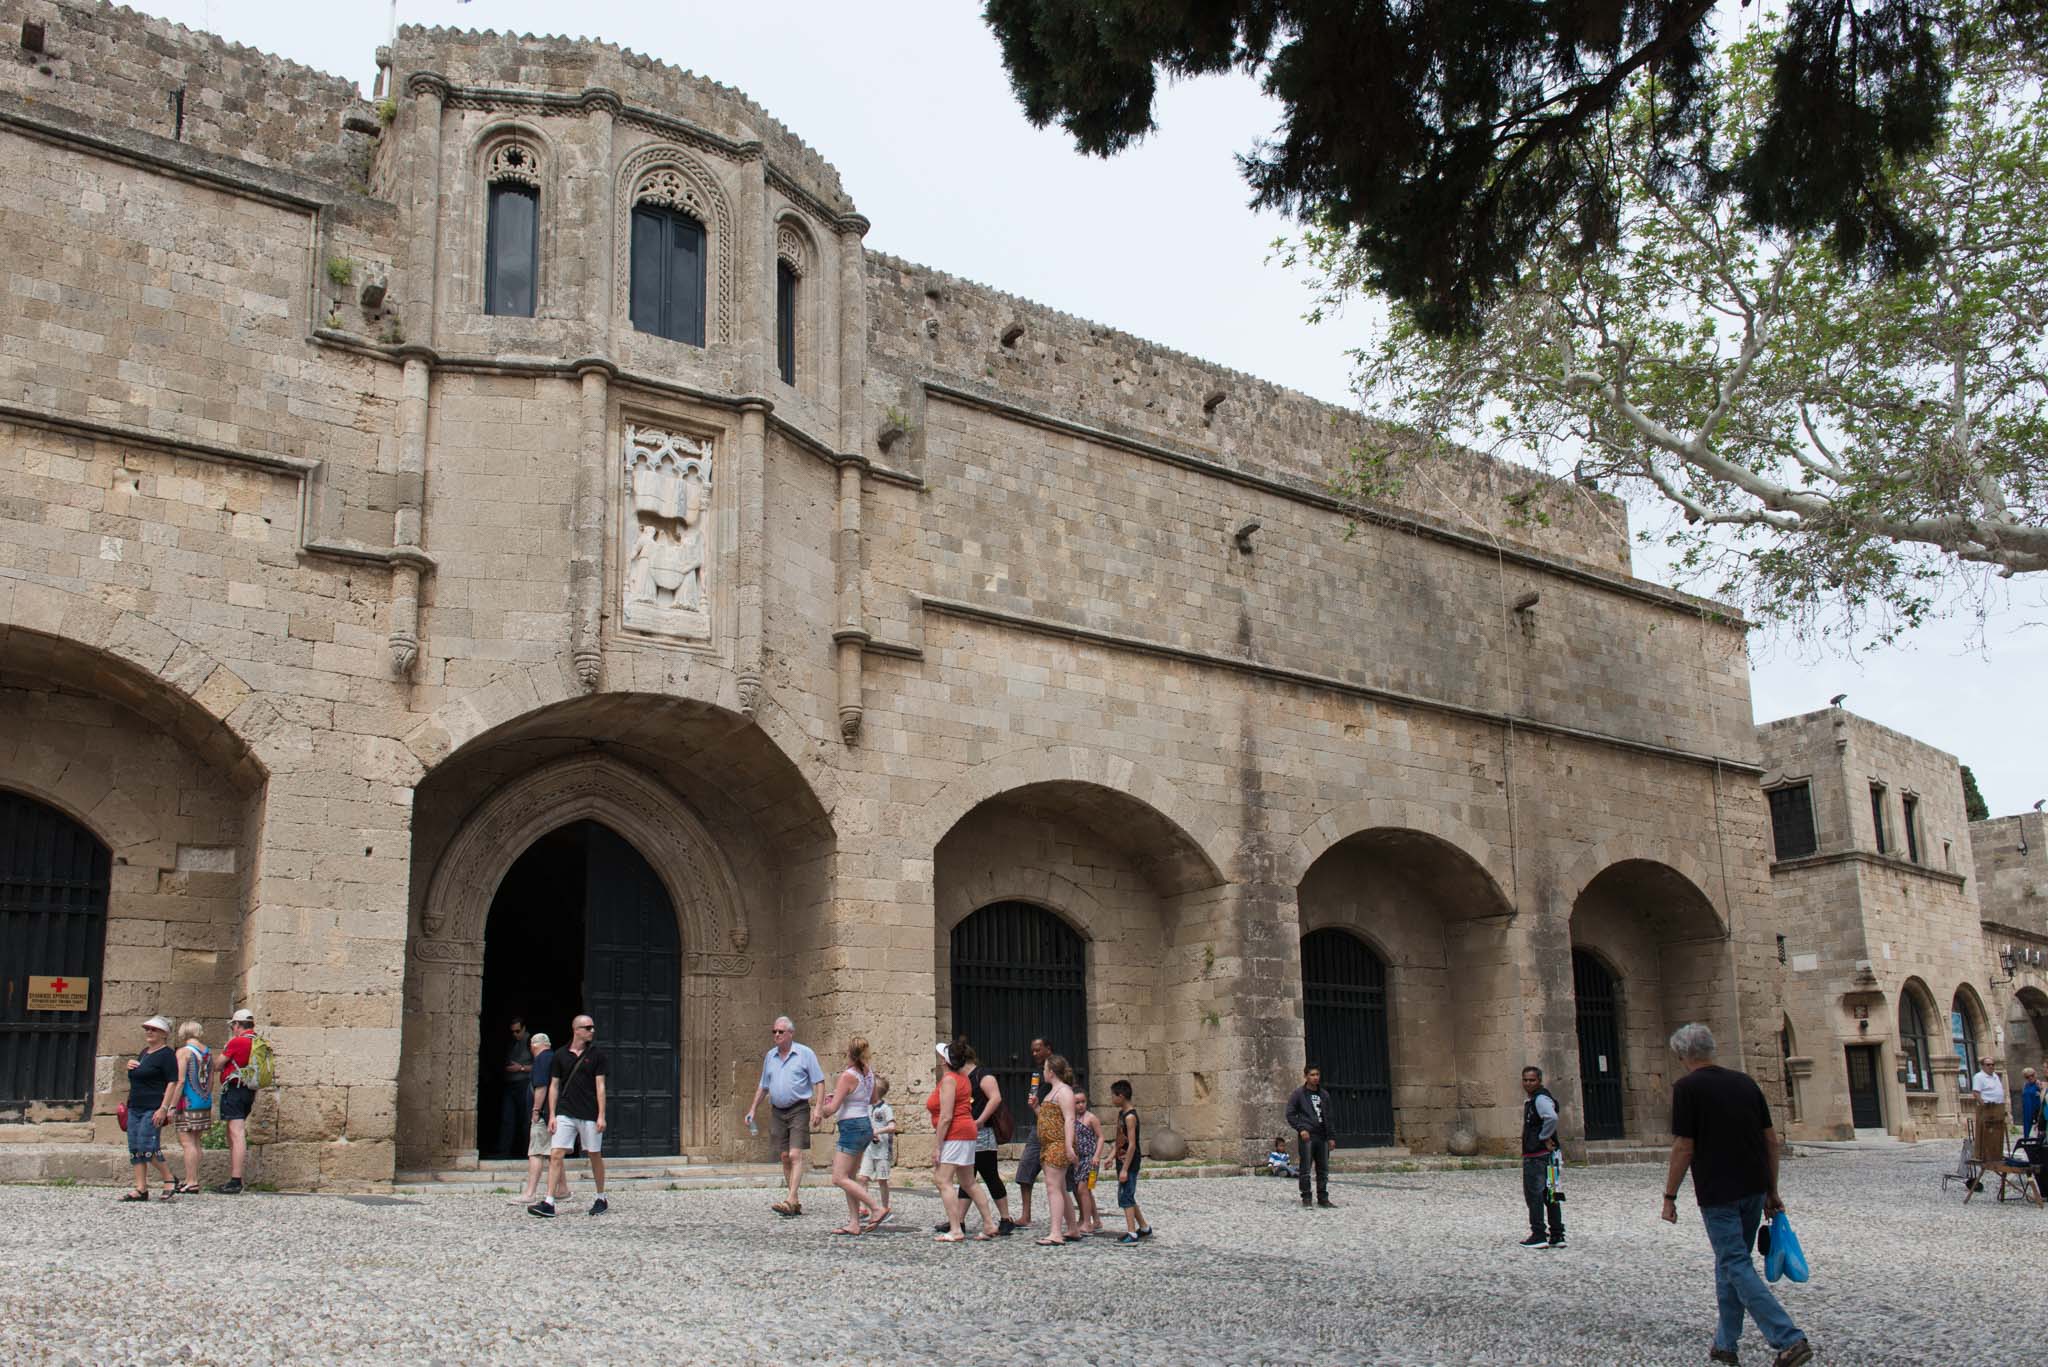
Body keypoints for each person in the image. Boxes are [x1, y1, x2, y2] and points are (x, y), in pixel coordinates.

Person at [1659, 1022, 1812, 1367]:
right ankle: (1725, 1344)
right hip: (1754, 1189)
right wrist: (1772, 1190)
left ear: (1683, 1055)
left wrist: (1669, 1196)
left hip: (1719, 1192)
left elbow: (1684, 1146)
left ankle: (1788, 1338)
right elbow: (1769, 1140)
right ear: (1712, 1049)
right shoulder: (1746, 1083)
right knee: (1729, 1263)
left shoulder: (1687, 1088)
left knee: (1735, 1264)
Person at [932, 1041, 1018, 1235]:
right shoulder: (961, 1077)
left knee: (988, 1174)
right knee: (968, 1179)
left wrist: (980, 1120)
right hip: (969, 1132)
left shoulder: (982, 1075)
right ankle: (959, 1220)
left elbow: (995, 1098)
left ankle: (1005, 1217)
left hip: (982, 1131)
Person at [745, 1015, 825, 1218]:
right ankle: (794, 1200)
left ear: (791, 1033)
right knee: (784, 1156)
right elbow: (763, 1086)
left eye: (781, 1032)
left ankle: (790, 1198)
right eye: (774, 1032)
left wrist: (818, 1109)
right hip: (777, 1111)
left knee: (795, 1155)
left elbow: (820, 1082)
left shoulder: (805, 1054)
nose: (777, 1035)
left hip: (798, 1109)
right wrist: (753, 1108)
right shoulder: (770, 1056)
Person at [529, 1014, 608, 1218]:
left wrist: (601, 1115)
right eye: (587, 1027)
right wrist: (552, 1114)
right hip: (566, 1111)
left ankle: (601, 1197)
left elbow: (600, 1086)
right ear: (576, 1030)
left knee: (594, 1155)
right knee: (556, 1154)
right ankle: (549, 1201)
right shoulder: (560, 1055)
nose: (592, 1030)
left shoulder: (597, 1055)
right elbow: (554, 1085)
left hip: (589, 1112)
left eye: (592, 1027)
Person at [818, 1036, 884, 1235]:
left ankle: (876, 1207)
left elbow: (832, 1109)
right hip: (864, 1123)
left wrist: (821, 1107)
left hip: (851, 1126)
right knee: (850, 1177)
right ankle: (854, 1223)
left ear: (849, 1053)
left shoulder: (848, 1075)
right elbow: (873, 1099)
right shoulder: (869, 1073)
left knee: (838, 1177)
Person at [121, 1017, 180, 1201]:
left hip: (152, 1107)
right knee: (135, 1147)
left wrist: (164, 1108)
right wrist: (130, 1067)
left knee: (148, 1147)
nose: (149, 1031)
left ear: (164, 1034)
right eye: (147, 1028)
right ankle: (141, 1188)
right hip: (135, 1105)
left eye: (153, 1029)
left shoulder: (167, 1054)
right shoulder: (145, 1052)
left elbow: (172, 1082)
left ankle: (169, 1179)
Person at [516, 1031, 567, 1207]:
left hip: (545, 1114)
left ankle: (530, 1193)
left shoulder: (540, 1060)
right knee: (555, 1152)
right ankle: (562, 1189)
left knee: (536, 1152)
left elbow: (541, 1086)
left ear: (533, 1045)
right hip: (556, 1112)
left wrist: (536, 1110)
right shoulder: (555, 1057)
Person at [213, 1007, 260, 1194]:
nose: (233, 1028)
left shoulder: (237, 1042)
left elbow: (218, 1064)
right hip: (248, 1090)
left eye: (233, 1025)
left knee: (236, 1133)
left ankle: (236, 1180)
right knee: (234, 1132)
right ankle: (236, 1177)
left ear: (238, 1025)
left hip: (234, 1089)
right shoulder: (258, 1041)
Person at [1034, 1053, 1079, 1246]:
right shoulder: (1053, 1091)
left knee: (1053, 1188)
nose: (1043, 1072)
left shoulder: (1064, 1092)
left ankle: (1056, 1233)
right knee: (1060, 1188)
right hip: (1049, 1144)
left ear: (1051, 1072)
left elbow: (1069, 1119)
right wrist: (1036, 1107)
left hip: (1058, 1143)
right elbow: (1048, 1119)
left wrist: (1068, 1146)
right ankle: (1072, 1228)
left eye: (1045, 1068)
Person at [1519, 1064, 1565, 1249]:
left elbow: (1551, 1118)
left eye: (1532, 1080)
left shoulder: (1540, 1099)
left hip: (1538, 1155)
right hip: (1549, 1156)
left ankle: (1538, 1234)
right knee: (1551, 1194)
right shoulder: (1535, 1099)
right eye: (1525, 1080)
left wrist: (1543, 1136)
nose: (1528, 1083)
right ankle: (1557, 1234)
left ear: (1539, 1081)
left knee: (1535, 1195)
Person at [1013, 1036, 1054, 1228]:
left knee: (1068, 1178)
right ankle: (1026, 1214)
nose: (1035, 1053)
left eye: (1038, 1050)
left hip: (1054, 1127)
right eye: (1033, 1050)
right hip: (1037, 1126)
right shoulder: (1037, 1073)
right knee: (1025, 1169)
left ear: (1048, 1049)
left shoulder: (1058, 1070)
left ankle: (1086, 1218)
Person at [171, 1021, 213, 1197]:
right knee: (196, 1142)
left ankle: (191, 1181)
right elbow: (211, 1079)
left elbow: (180, 1081)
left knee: (187, 1143)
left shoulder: (183, 1052)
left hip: (187, 1101)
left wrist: (171, 1104)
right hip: (203, 1100)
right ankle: (193, 1179)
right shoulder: (207, 1052)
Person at [1286, 1064, 1335, 1208]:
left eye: (1317, 1075)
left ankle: (1323, 1197)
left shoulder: (1324, 1095)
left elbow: (1329, 1117)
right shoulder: (1298, 1094)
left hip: (1322, 1135)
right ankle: (1306, 1197)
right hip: (1308, 1135)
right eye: (1312, 1075)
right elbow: (1290, 1113)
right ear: (1306, 1076)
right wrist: (1301, 1128)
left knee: (1323, 1169)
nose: (1315, 1078)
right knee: (1306, 1168)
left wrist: (1331, 1137)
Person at [1111, 1079, 1152, 1243]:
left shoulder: (1130, 1117)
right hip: (1121, 1160)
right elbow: (1121, 1139)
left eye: (1113, 1096)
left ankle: (1131, 1232)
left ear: (1121, 1096)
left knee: (1125, 1197)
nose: (1112, 1099)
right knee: (1128, 1195)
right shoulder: (1121, 1114)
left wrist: (1125, 1169)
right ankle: (1144, 1227)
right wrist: (1110, 1157)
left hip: (1129, 1162)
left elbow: (1132, 1144)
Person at [858, 1075, 897, 1228]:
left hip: (882, 1151)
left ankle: (885, 1208)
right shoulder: (866, 1108)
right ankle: (863, 1208)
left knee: (882, 1180)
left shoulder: (885, 1109)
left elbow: (893, 1127)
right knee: (862, 1178)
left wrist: (878, 1131)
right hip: (869, 1149)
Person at [1070, 1087, 1104, 1235]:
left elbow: (1101, 1137)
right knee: (1087, 1191)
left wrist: (1097, 1156)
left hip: (1090, 1161)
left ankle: (1087, 1222)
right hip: (1079, 1160)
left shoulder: (1091, 1118)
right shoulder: (1072, 1119)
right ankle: (1095, 1219)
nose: (1081, 1105)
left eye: (1083, 1102)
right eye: (1077, 1102)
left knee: (1083, 1189)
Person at [497, 1017, 533, 1159]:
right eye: (513, 1032)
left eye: (518, 1031)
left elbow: (541, 1065)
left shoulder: (532, 1042)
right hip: (510, 1084)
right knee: (508, 1118)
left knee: (526, 1120)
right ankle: (504, 1152)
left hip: (524, 1084)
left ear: (524, 1028)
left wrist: (521, 1068)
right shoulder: (512, 1042)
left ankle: (528, 1153)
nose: (515, 1034)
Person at [1971, 1054, 2008, 1165]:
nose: (1991, 1067)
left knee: (1997, 1133)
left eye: (1992, 1064)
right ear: (1982, 1066)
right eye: (1988, 1065)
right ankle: (1985, 1155)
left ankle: (1996, 1154)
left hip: (1997, 1108)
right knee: (1986, 1132)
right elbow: (1976, 1093)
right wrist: (1984, 1106)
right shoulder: (1979, 1077)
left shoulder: (1995, 1076)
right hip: (1988, 1108)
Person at [2019, 1066, 2042, 1143]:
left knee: (2038, 1128)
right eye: (2027, 1077)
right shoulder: (2025, 1085)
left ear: (2035, 1074)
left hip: (2035, 1108)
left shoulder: (2038, 1084)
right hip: (2027, 1108)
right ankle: (2027, 1139)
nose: (2030, 1078)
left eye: (2032, 1075)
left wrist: (2040, 1093)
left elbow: (2043, 1095)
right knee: (2027, 1126)